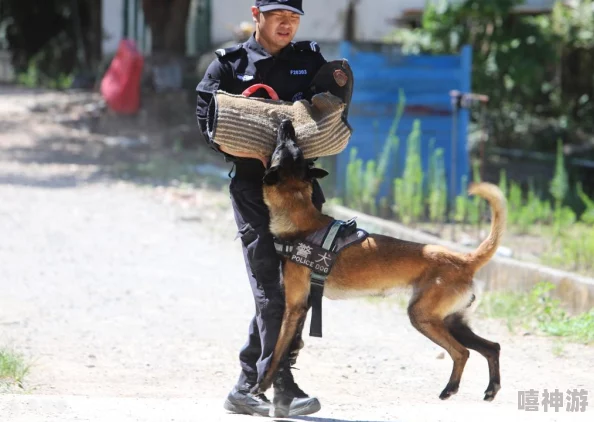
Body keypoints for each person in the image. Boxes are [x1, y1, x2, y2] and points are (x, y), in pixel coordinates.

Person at [195, 0, 329, 417]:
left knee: (301, 288)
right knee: (272, 289)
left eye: (294, 17)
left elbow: (331, 115)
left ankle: (247, 386)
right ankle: (280, 384)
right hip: (255, 192)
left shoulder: (311, 63)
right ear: (257, 14)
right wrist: (266, 131)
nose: (287, 23)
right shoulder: (228, 66)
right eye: (278, 16)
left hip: (304, 195)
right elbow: (209, 124)